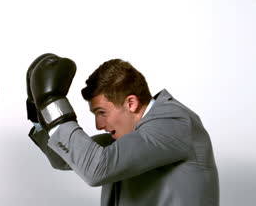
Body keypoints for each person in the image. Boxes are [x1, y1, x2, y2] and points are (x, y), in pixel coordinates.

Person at [26, 53, 219, 206]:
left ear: (131, 103)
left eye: (102, 112)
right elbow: (64, 158)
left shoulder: (173, 122)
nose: (98, 125)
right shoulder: (129, 135)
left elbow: (96, 169)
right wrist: (38, 113)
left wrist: (52, 102)